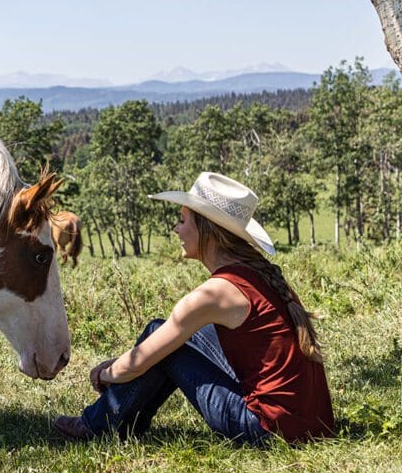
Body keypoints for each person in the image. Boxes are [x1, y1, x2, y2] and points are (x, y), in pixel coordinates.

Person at [53, 172, 334, 445]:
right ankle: (120, 423)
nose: (176, 228)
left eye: (182, 220)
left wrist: (104, 373)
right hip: (313, 423)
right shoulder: (258, 274)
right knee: (163, 334)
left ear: (207, 230)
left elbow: (138, 363)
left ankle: (97, 425)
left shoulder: (215, 293)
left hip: (265, 429)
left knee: (162, 339)